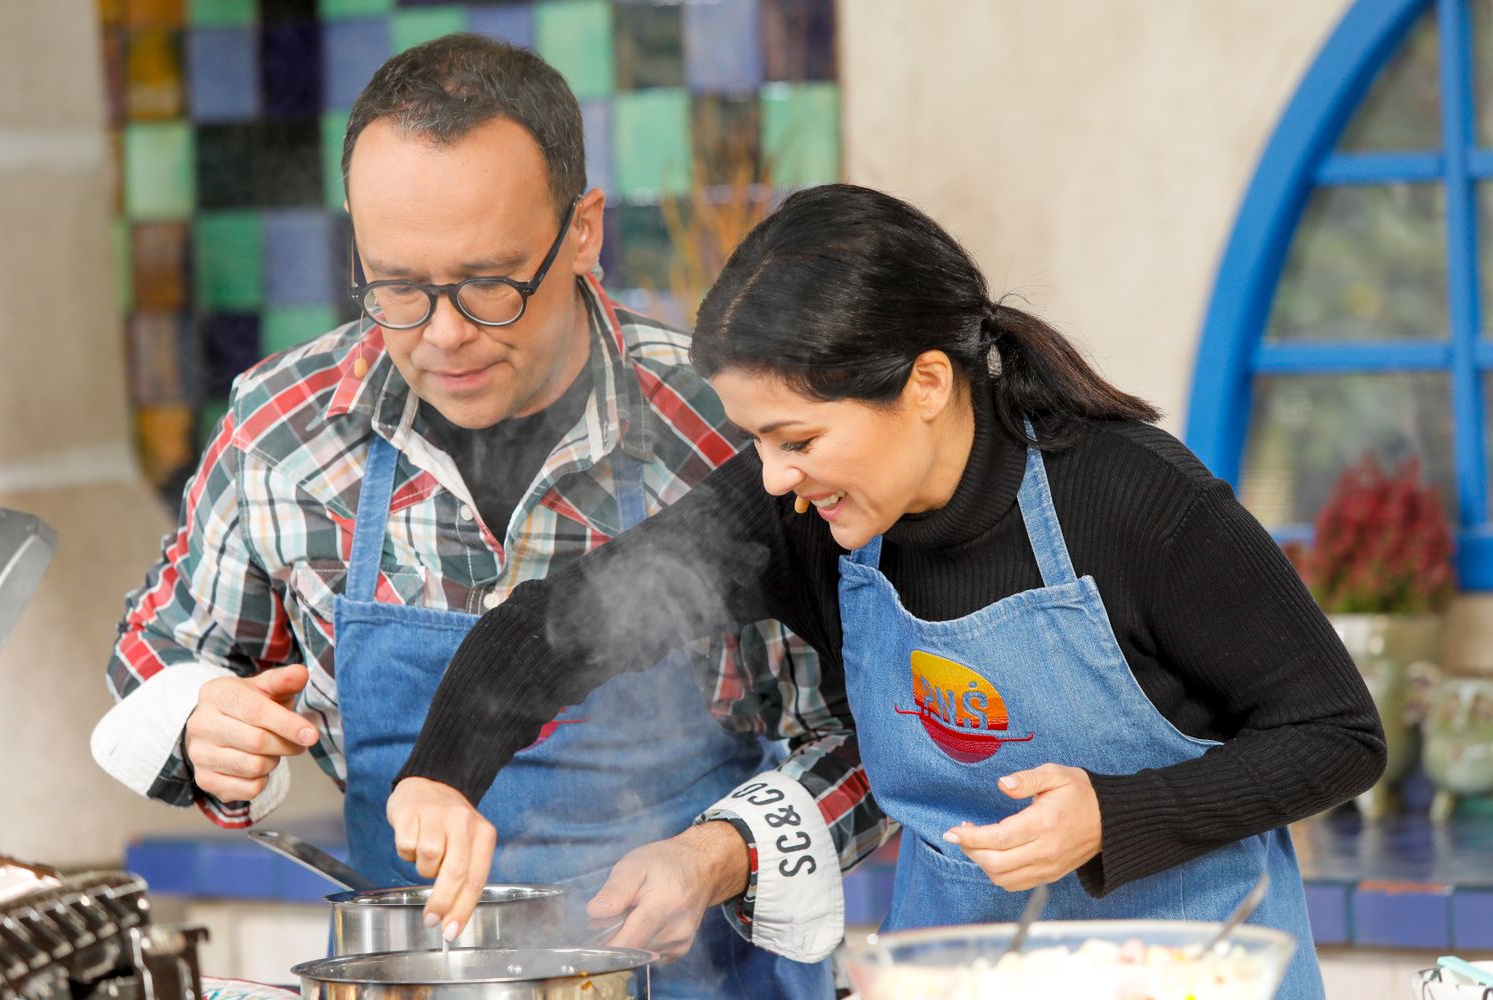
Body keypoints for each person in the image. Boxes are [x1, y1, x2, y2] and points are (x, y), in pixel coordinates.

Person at [386, 184, 1387, 1000]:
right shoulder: (803, 515)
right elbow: (570, 621)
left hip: (1191, 978)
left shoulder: (1131, 499)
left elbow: (1339, 734)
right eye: (758, 442)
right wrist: (445, 767)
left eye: (800, 439)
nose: (775, 476)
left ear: (925, 385)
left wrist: (1113, 817)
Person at [90, 35, 889, 999]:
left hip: (707, 976)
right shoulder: (281, 433)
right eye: (398, 287)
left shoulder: (725, 427)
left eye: (489, 284)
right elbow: (158, 652)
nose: (443, 333)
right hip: (417, 979)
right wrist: (200, 724)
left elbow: (871, 736)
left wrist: (720, 856)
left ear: (583, 230)